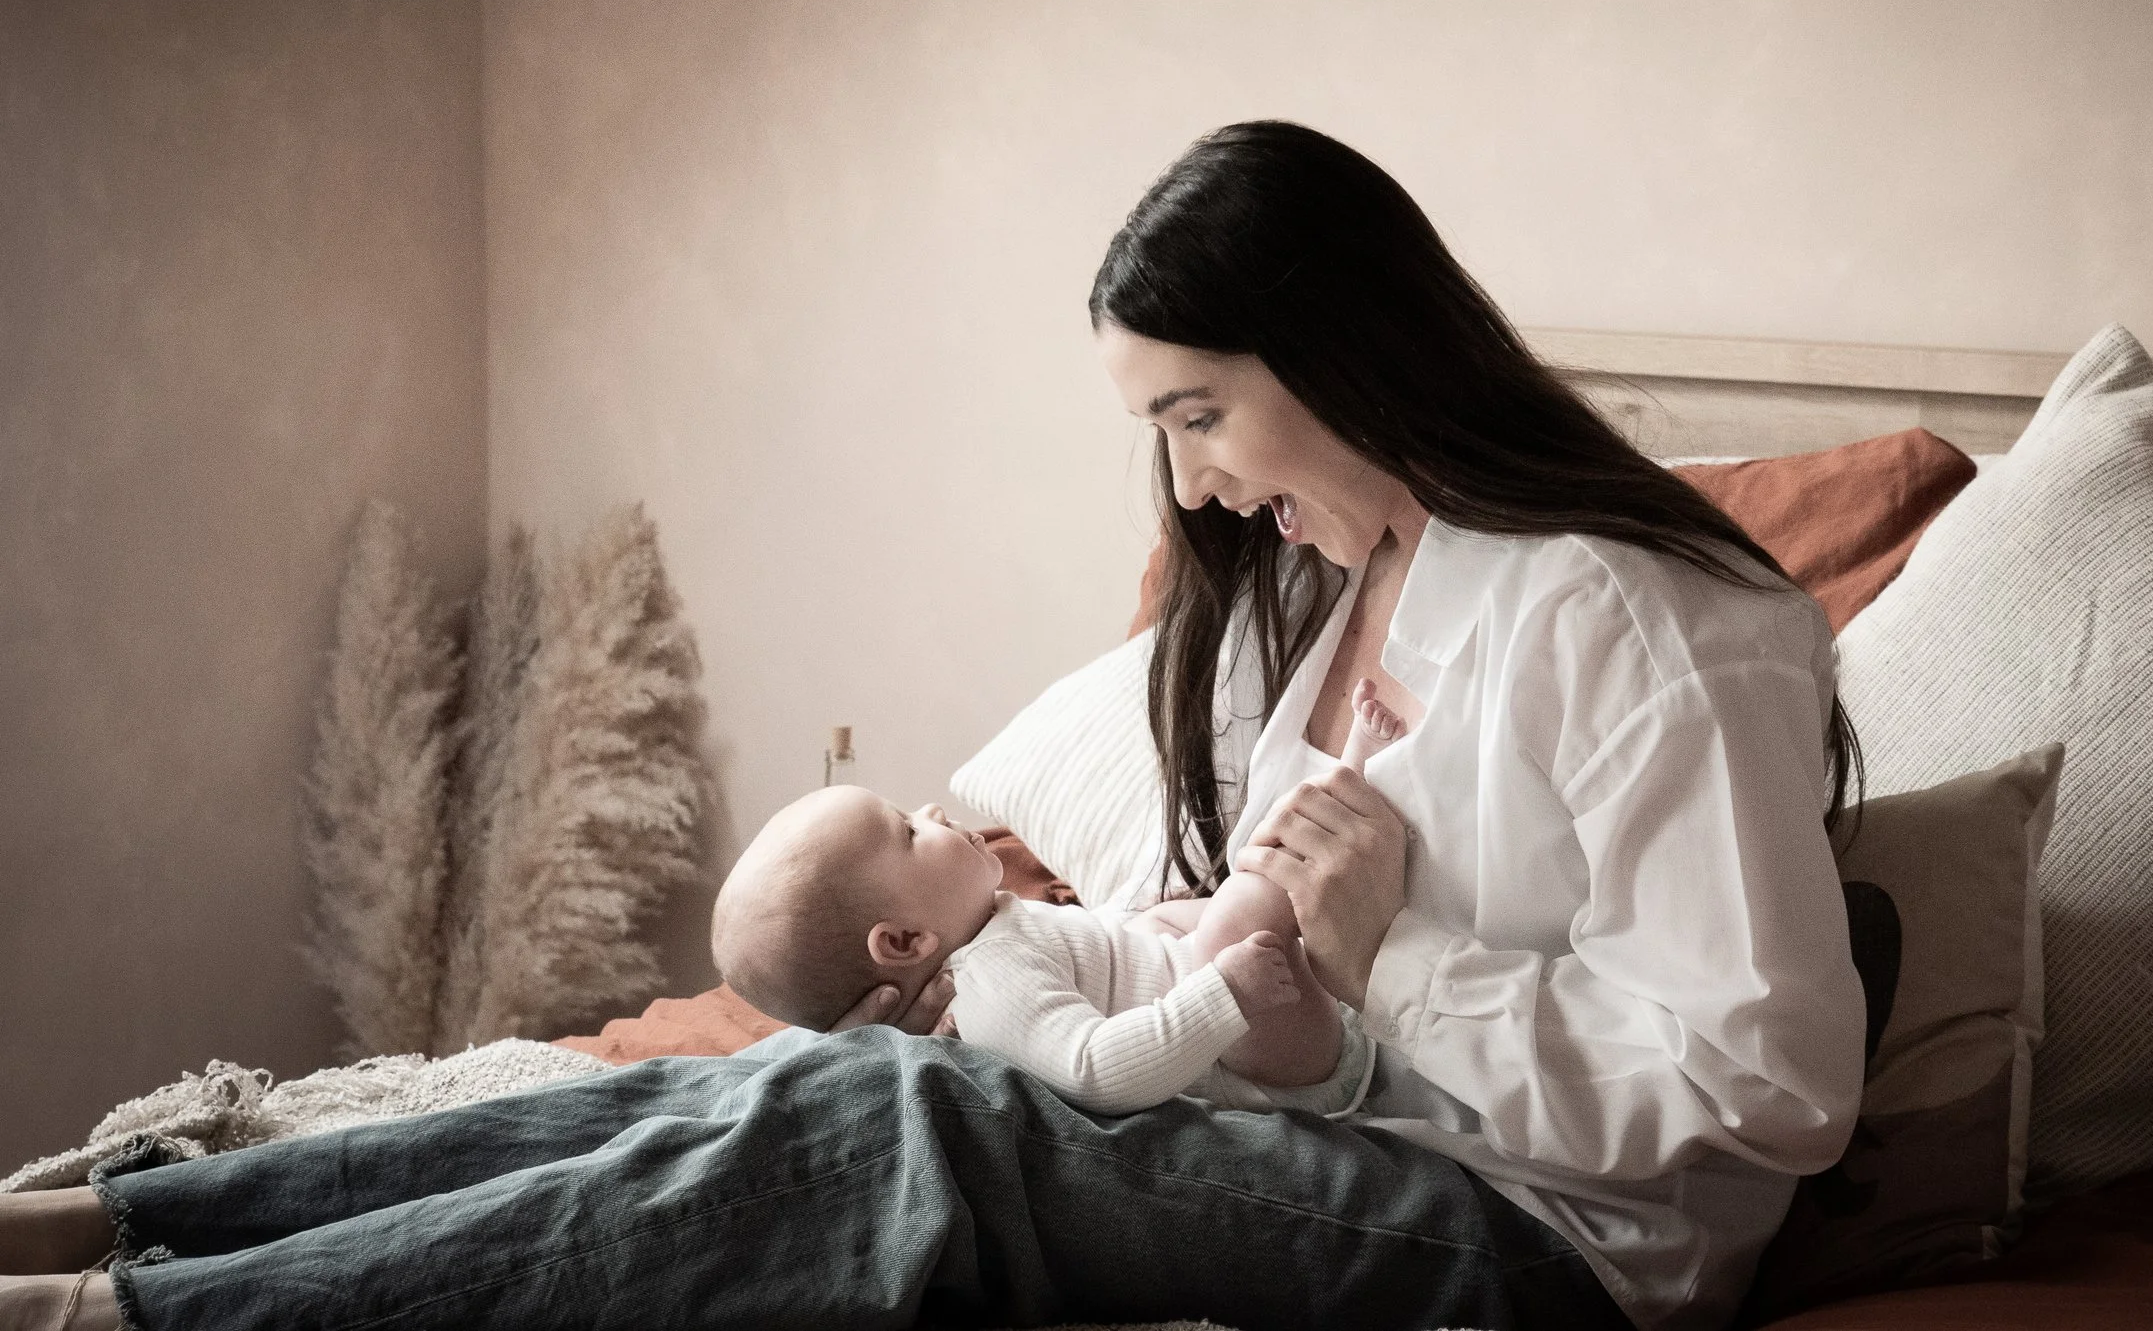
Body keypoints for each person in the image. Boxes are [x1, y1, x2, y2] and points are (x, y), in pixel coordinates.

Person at [0, 121, 1863, 1331]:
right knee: (795, 1080)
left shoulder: (1652, 621)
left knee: (910, 1128)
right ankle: (147, 1218)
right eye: (1165, 432)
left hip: (1553, 1258)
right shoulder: (1324, 596)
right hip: (1353, 1141)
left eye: (1203, 414)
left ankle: (136, 1323)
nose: (1196, 489)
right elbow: (1258, 977)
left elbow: (1764, 1092)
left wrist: (1396, 971)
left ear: (1346, 350)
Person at [707, 781, 1371, 1109]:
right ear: (907, 939)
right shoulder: (991, 985)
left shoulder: (994, 926)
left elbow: (1095, 950)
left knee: (1159, 918)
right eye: (908, 831)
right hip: (1270, 1068)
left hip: (1262, 1016)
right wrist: (1222, 994)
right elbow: (1094, 1067)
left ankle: (1354, 788)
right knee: (1245, 902)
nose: (934, 813)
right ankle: (1355, 794)